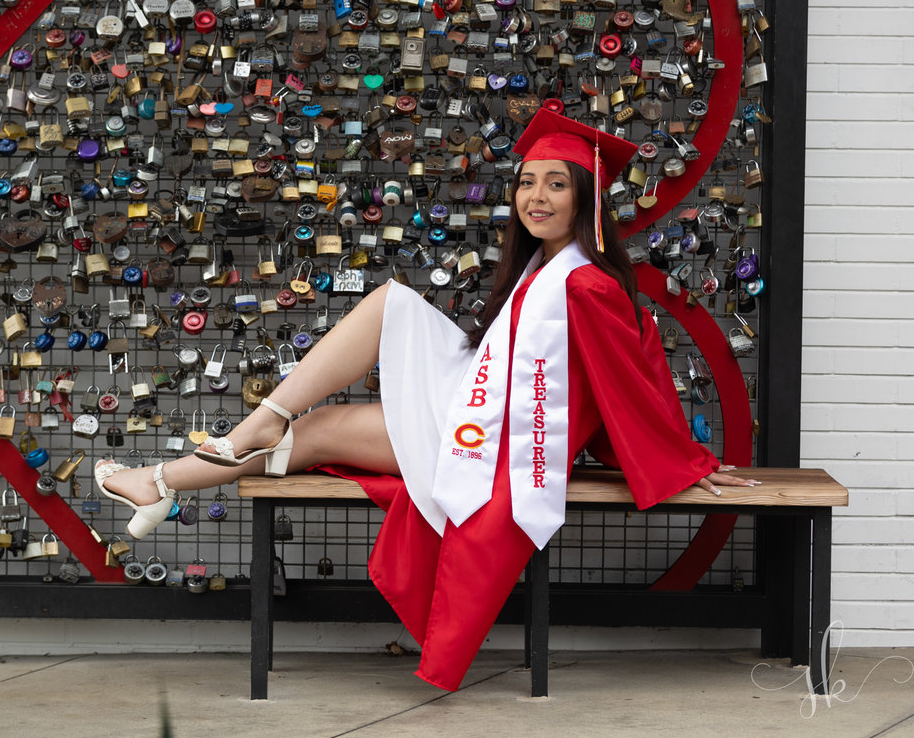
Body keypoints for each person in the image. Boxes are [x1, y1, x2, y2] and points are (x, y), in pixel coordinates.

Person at [94, 107, 759, 691]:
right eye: (526, 182)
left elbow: (629, 389)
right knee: (353, 368)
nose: (536, 196)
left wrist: (685, 459)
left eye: (556, 184)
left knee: (334, 400)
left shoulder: (586, 286)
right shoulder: (543, 273)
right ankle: (186, 468)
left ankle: (189, 465)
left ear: (585, 198)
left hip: (490, 441)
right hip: (476, 409)